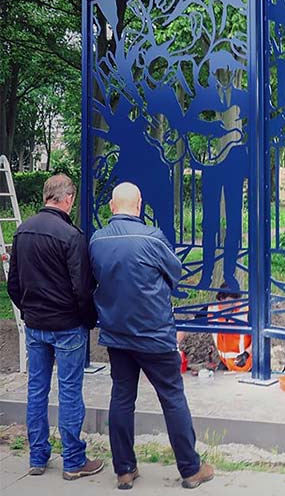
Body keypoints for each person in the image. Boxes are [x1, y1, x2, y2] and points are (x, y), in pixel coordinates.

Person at [89, 182, 213, 490]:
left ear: (111, 207)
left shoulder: (97, 240)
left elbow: (94, 278)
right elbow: (175, 273)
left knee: (121, 398)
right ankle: (190, 468)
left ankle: (124, 470)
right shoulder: (152, 238)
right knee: (172, 398)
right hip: (154, 335)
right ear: (140, 204)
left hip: (116, 335)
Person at [6, 174, 104, 479]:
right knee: (70, 392)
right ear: (69, 199)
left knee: (36, 390)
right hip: (67, 326)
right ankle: (73, 461)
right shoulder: (72, 236)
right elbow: (82, 288)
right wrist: (88, 320)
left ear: (46, 196)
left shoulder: (22, 232)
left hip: (36, 325)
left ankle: (37, 457)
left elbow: (13, 284)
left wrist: (29, 309)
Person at [209, 287, 252, 372]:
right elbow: (187, 323)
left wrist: (246, 353)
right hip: (226, 363)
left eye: (236, 301)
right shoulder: (212, 310)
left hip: (245, 365)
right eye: (231, 302)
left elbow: (258, 336)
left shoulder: (246, 311)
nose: (235, 305)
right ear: (221, 299)